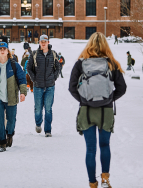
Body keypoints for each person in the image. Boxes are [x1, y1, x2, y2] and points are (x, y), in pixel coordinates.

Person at [69, 32, 127, 188]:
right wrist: (109, 98)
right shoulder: (111, 64)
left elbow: (71, 87)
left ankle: (92, 183)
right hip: (106, 111)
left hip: (87, 111)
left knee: (90, 148)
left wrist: (84, 100)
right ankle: (105, 180)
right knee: (105, 146)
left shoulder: (80, 64)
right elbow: (122, 88)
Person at [0, 41, 27, 152]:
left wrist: (23, 92)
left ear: (8, 51)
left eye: (4, 49)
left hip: (11, 96)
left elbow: (22, 79)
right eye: (0, 49)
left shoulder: (14, 65)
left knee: (11, 120)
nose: (2, 50)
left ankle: (9, 134)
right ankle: (1, 143)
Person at [26, 34, 60, 137]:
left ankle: (48, 131)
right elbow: (28, 68)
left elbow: (58, 68)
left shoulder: (53, 54)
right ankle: (38, 123)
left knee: (48, 109)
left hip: (50, 86)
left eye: (45, 41)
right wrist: (34, 79)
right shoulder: (34, 54)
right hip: (38, 86)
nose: (44, 43)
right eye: (42, 41)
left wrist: (54, 78)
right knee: (38, 108)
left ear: (48, 42)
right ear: (39, 43)